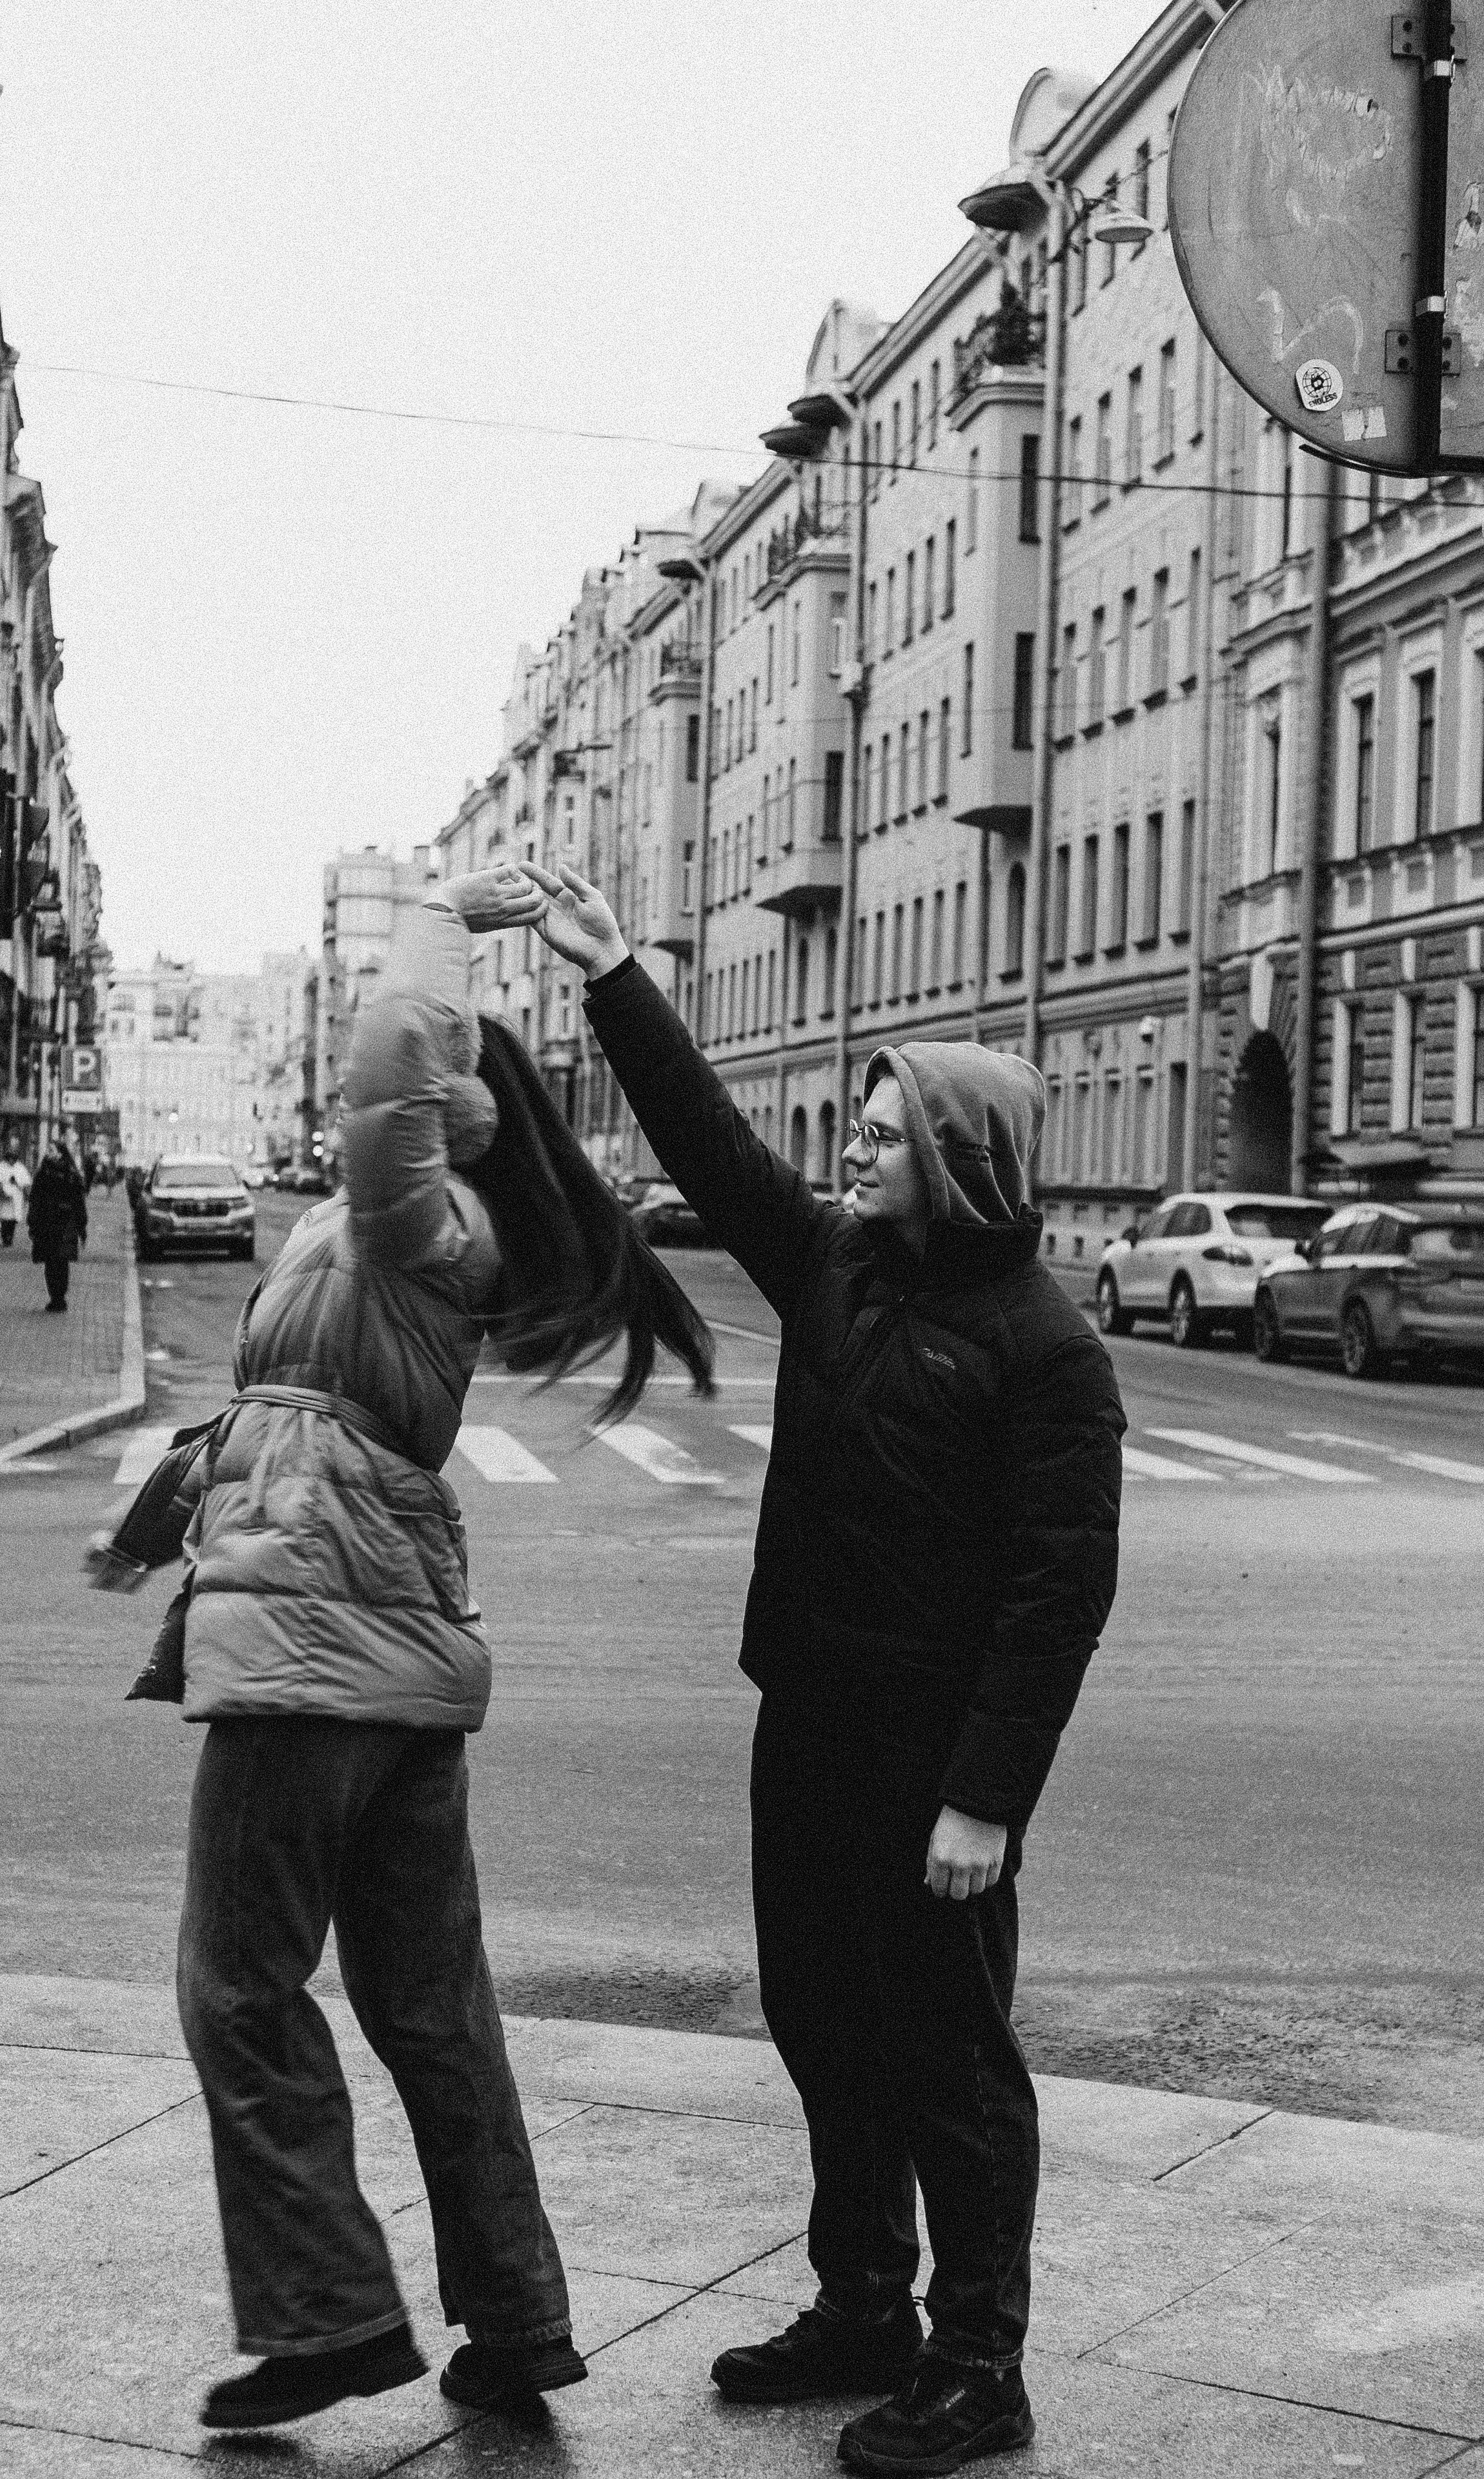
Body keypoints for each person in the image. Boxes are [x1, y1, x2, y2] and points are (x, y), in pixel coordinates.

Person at [523, 858, 1125, 2479]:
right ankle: (863, 2304)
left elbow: (1057, 1597)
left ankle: (978, 2365)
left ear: (954, 1161)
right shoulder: (839, 1268)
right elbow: (711, 1150)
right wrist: (614, 974)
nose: (847, 1153)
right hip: (806, 1720)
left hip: (933, 1761)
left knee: (949, 2062)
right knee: (819, 2019)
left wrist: (984, 1799)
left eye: (876, 1136)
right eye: (852, 1132)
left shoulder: (1046, 1351)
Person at [169, 865, 715, 2438]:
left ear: (454, 1104)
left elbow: (389, 1056)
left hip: (318, 1633)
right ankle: (518, 2319)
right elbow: (291, 1409)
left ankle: (330, 2317)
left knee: (237, 1985)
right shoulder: (387, 1228)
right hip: (372, 1624)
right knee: (426, 2000)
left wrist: (441, 914)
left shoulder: (425, 1221)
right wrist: (161, 1523)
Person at [28, 1135, 87, 1310]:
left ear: (61, 1153)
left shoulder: (71, 1174)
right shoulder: (42, 1173)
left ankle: (59, 1297)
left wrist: (82, 1226)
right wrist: (32, 1222)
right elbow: (35, 1200)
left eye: (51, 1150)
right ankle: (55, 1297)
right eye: (48, 1150)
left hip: (65, 1223)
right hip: (46, 1223)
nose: (48, 1153)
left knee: (61, 1261)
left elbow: (79, 1202)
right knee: (50, 1262)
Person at [0, 1134, 31, 1249]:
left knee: (12, 1220)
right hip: (4, 1195)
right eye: (10, 1159)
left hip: (16, 1196)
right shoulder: (1, 1166)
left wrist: (17, 1182)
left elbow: (26, 1181)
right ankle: (5, 1237)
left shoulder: (20, 1167)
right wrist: (0, 1188)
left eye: (14, 1159)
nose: (12, 1161)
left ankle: (10, 1237)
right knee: (5, 1219)